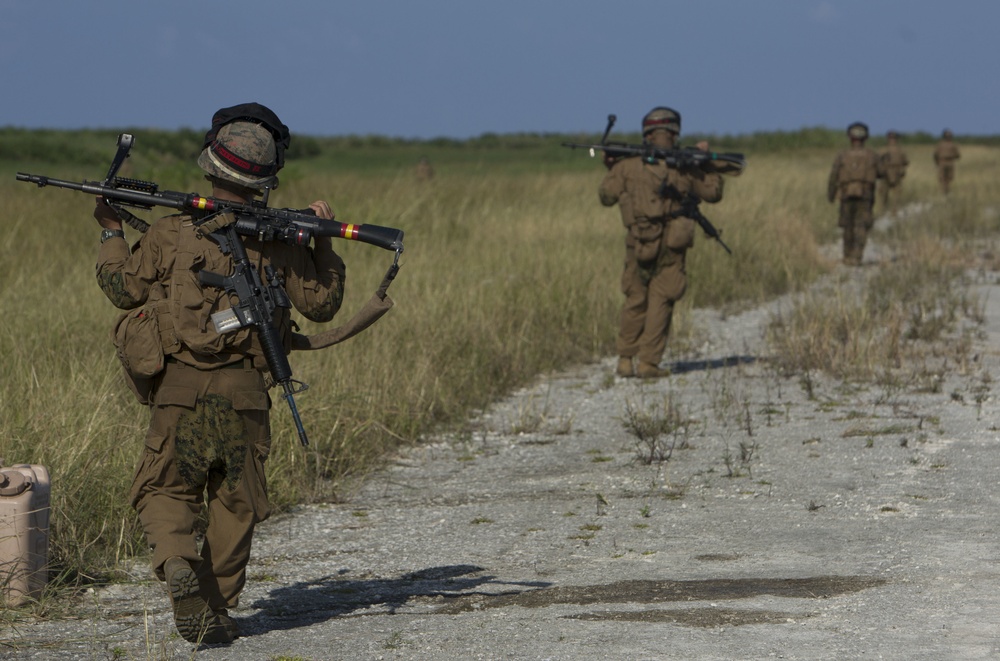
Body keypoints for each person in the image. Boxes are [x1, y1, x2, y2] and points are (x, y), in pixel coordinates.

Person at [92, 103, 346, 644]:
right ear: (266, 180)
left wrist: (110, 230)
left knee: (165, 488)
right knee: (236, 502)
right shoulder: (282, 239)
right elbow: (322, 304)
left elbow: (122, 289)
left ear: (211, 164)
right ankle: (216, 606)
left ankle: (179, 564)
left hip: (179, 386)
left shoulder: (168, 233)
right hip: (247, 391)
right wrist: (321, 240)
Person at [599, 107, 724, 379]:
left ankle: (625, 359)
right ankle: (648, 364)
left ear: (646, 132)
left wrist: (612, 168)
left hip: (638, 241)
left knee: (635, 298)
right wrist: (706, 163)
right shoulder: (686, 164)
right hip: (673, 243)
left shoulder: (628, 165)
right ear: (675, 132)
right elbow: (713, 193)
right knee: (662, 300)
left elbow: (606, 197)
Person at [827, 122, 883, 266]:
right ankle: (857, 257)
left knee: (847, 225)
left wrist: (831, 194)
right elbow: (882, 173)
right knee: (862, 225)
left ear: (849, 137)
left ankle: (847, 256)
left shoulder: (842, 156)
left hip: (846, 194)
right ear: (866, 138)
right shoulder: (872, 156)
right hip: (865, 194)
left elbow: (833, 176)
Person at [878, 130, 909, 215]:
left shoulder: (883, 149)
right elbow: (906, 162)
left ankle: (887, 210)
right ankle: (892, 210)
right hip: (892, 172)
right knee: (892, 193)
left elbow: (878, 162)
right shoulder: (900, 150)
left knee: (887, 193)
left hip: (889, 172)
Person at [933, 129, 961, 194]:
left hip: (942, 162)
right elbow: (957, 156)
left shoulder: (940, 144)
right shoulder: (953, 145)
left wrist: (937, 162)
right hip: (949, 162)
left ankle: (945, 190)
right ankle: (946, 191)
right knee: (948, 178)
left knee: (944, 178)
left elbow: (935, 155)